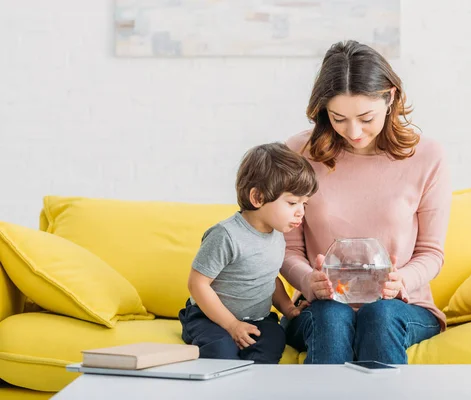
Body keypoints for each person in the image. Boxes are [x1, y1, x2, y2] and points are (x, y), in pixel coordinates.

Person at [281, 40, 451, 364]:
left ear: (389, 98)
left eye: (365, 117)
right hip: (321, 306)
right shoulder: (298, 153)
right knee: (331, 317)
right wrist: (308, 281)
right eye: (338, 118)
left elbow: (431, 253)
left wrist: (403, 280)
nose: (353, 131)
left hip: (403, 306)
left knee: (380, 316)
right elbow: (289, 250)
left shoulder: (428, 156)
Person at [179, 142, 318, 364]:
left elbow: (270, 279)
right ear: (258, 198)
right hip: (210, 319)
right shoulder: (226, 235)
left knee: (273, 341)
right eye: (292, 202)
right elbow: (198, 285)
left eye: (304, 204)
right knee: (220, 350)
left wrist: (288, 308)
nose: (300, 212)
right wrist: (232, 325)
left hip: (258, 319)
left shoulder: (277, 235)